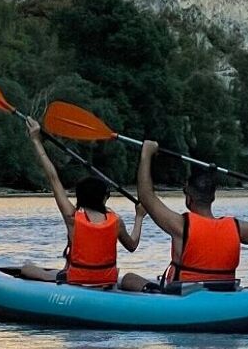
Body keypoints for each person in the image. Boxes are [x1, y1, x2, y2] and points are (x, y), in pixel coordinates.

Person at [131, 139, 248, 288]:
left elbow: (146, 196)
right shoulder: (236, 228)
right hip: (222, 297)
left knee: (129, 279)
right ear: (213, 197)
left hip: (184, 299)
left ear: (189, 198)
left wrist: (146, 153)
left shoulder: (181, 225)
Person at [19, 118, 150, 290]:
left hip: (76, 282)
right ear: (104, 198)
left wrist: (36, 140)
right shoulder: (116, 222)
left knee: (28, 268)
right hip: (105, 282)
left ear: (80, 197)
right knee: (129, 278)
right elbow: (132, 245)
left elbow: (53, 178)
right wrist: (139, 216)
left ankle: (32, 269)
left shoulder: (72, 217)